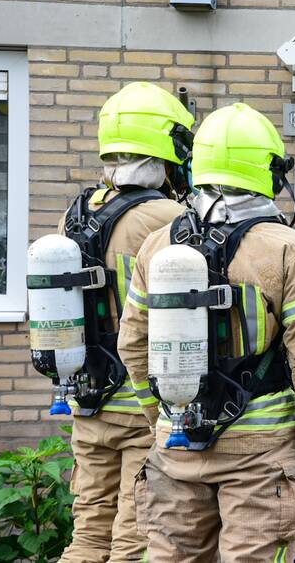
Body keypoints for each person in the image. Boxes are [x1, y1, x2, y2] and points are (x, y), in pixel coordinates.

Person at [117, 103, 295, 562]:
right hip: (259, 456)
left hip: (176, 445)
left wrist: (161, 415)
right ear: (269, 171)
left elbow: (132, 344)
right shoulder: (286, 248)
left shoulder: (159, 244)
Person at [55, 81, 194, 563]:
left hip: (86, 398)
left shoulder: (76, 214)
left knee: (88, 530)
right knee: (134, 538)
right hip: (139, 404)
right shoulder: (170, 219)